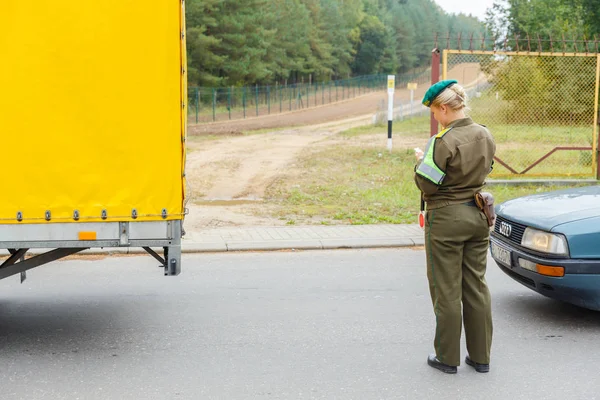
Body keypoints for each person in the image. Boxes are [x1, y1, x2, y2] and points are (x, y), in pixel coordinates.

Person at [414, 79, 496, 374]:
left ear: (445, 108)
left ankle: (447, 358)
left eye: (435, 112)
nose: (435, 118)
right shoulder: (485, 134)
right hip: (478, 217)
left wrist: (420, 162)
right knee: (476, 286)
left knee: (446, 290)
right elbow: (485, 169)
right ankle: (481, 357)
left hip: (446, 221)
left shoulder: (442, 142)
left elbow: (428, 185)